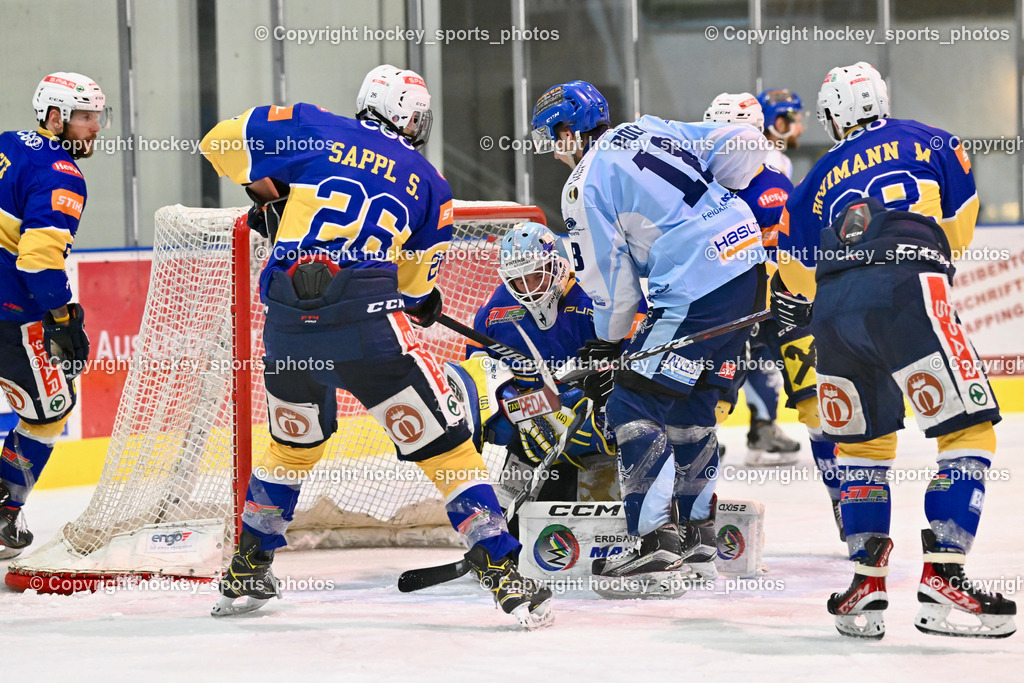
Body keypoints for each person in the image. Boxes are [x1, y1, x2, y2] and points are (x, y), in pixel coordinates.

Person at [199, 65, 552, 629]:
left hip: (288, 325)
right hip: (367, 328)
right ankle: (503, 573)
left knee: (292, 448)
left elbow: (216, 143)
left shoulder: (311, 126)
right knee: (447, 448)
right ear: (412, 119)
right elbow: (412, 287)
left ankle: (247, 567)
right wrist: (425, 297)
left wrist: (271, 197)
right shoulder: (431, 183)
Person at [778, 61, 1015, 639]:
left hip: (834, 312)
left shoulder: (811, 182)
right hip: (908, 290)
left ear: (833, 116)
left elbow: (795, 275)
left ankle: (865, 589)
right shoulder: (934, 141)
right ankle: (945, 578)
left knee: (861, 450)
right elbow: (957, 228)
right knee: (968, 431)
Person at [531, 80, 770, 596]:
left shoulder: (582, 183)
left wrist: (607, 348)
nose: (553, 148)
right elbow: (745, 144)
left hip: (696, 285)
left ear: (569, 130)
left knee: (633, 399)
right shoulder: (651, 128)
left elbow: (610, 284)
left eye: (553, 136)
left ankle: (655, 544)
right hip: (748, 267)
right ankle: (698, 536)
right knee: (689, 407)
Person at [704, 93, 844, 536]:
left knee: (819, 408)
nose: (718, 145)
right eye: (713, 135)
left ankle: (849, 507)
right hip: (728, 315)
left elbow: (803, 250)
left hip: (786, 310)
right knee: (704, 413)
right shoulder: (697, 188)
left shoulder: (778, 186)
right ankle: (692, 514)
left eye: (729, 136)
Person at [446, 221, 619, 537]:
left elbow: (633, 364)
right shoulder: (494, 311)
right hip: (531, 438)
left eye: (536, 275)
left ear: (555, 263)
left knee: (601, 533)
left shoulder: (596, 296)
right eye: (518, 280)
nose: (529, 287)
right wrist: (513, 410)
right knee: (512, 535)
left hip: (595, 430)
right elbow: (478, 381)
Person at [0, 72, 109, 558]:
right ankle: (2, 515)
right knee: (49, 411)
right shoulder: (61, 174)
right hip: (10, 311)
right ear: (54, 116)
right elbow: (39, 258)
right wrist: (62, 318)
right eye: (84, 117)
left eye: (96, 118)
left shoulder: (6, 143)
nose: (94, 128)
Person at [756, 89, 803, 180]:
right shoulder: (772, 161)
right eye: (798, 122)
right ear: (780, 125)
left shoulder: (784, 161)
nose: (801, 128)